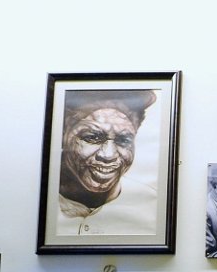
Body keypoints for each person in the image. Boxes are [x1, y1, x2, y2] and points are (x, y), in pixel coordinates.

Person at [57, 89, 158, 235]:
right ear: (63, 135)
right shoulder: (38, 202)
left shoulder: (150, 206)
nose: (108, 155)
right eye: (92, 137)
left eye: (123, 140)